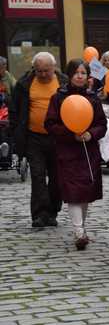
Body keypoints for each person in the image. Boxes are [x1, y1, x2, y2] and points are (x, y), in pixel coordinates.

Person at [44, 59, 106, 249]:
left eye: (83, 73)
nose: (80, 76)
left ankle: (82, 228)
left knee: (85, 192)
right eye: (76, 73)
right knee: (73, 192)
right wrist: (71, 134)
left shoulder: (93, 98)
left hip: (89, 151)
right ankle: (79, 231)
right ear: (70, 75)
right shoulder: (58, 98)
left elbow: (102, 125)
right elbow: (50, 124)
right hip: (67, 151)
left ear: (88, 76)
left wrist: (90, 134)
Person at [10, 52, 68, 227]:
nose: (43, 74)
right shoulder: (24, 84)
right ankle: (40, 214)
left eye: (46, 71)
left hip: (57, 137)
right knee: (37, 176)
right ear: (34, 69)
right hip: (34, 137)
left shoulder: (64, 82)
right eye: (39, 71)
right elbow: (15, 110)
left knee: (57, 178)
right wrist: (17, 132)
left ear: (54, 67)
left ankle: (52, 211)